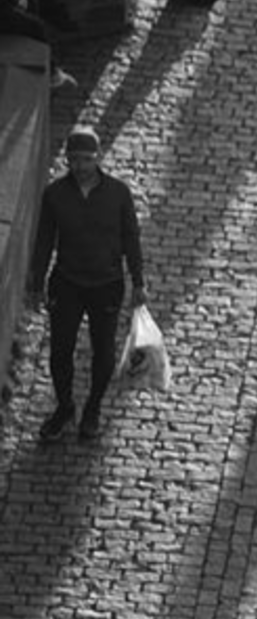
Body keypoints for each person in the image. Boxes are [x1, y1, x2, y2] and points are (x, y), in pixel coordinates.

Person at [28, 127, 147, 443]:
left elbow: (131, 237)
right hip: (67, 282)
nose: (80, 166)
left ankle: (92, 407)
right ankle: (65, 406)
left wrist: (139, 281)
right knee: (60, 351)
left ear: (98, 159)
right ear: (67, 159)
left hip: (106, 283)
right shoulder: (55, 195)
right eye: (74, 159)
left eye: (86, 159)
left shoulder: (118, 194)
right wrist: (35, 283)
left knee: (104, 350)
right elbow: (43, 241)